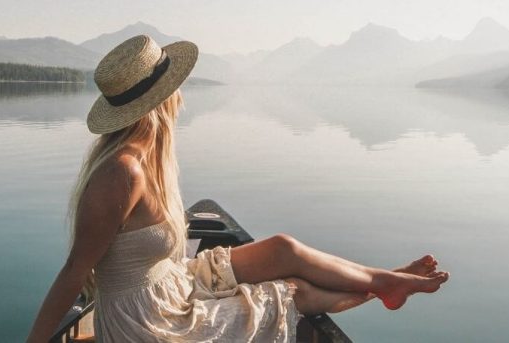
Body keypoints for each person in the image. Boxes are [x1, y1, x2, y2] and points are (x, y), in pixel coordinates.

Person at [25, 35, 449, 343]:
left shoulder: (150, 156)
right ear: (163, 99)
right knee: (291, 293)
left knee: (283, 249)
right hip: (148, 320)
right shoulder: (121, 173)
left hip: (172, 282)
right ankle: (383, 290)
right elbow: (75, 271)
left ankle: (384, 278)